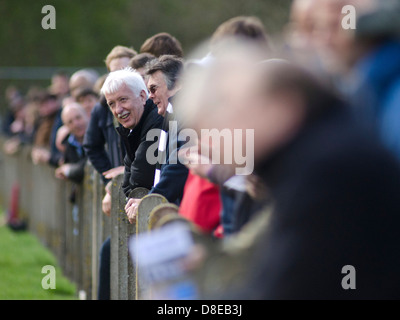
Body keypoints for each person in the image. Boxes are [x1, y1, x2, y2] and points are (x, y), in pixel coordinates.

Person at [179, 44, 400, 299]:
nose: (217, 143)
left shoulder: (326, 169)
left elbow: (283, 288)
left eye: (225, 123)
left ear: (283, 103)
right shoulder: (316, 151)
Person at [99, 67, 163, 300]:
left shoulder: (154, 124)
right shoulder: (133, 129)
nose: (118, 109)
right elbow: (129, 181)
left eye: (123, 100)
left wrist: (132, 187)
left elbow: (138, 181)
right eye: (112, 104)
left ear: (143, 96)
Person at [124, 55, 189, 223]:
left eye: (153, 89)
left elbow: (177, 167)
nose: (150, 96)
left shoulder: (183, 113)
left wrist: (150, 201)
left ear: (177, 84)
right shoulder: (172, 115)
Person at [54, 103, 88, 185]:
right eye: (70, 122)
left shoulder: (98, 136)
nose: (76, 124)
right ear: (66, 126)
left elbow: (89, 163)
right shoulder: (68, 143)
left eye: (78, 117)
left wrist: (69, 170)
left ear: (86, 115)